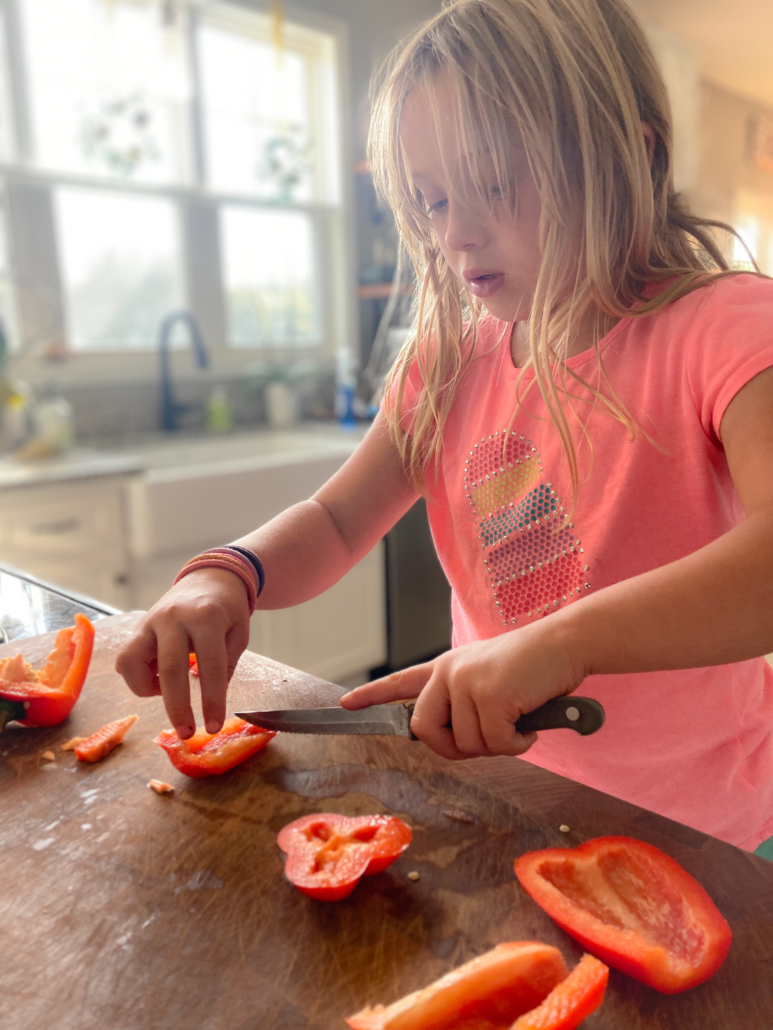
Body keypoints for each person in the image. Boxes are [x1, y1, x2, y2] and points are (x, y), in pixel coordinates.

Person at [117, 0, 773, 857]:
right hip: (502, 804)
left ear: (630, 155)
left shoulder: (725, 327)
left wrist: (560, 644)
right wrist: (227, 574)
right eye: (430, 201)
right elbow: (336, 520)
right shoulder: (448, 360)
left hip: (700, 829)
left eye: (496, 184)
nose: (457, 234)